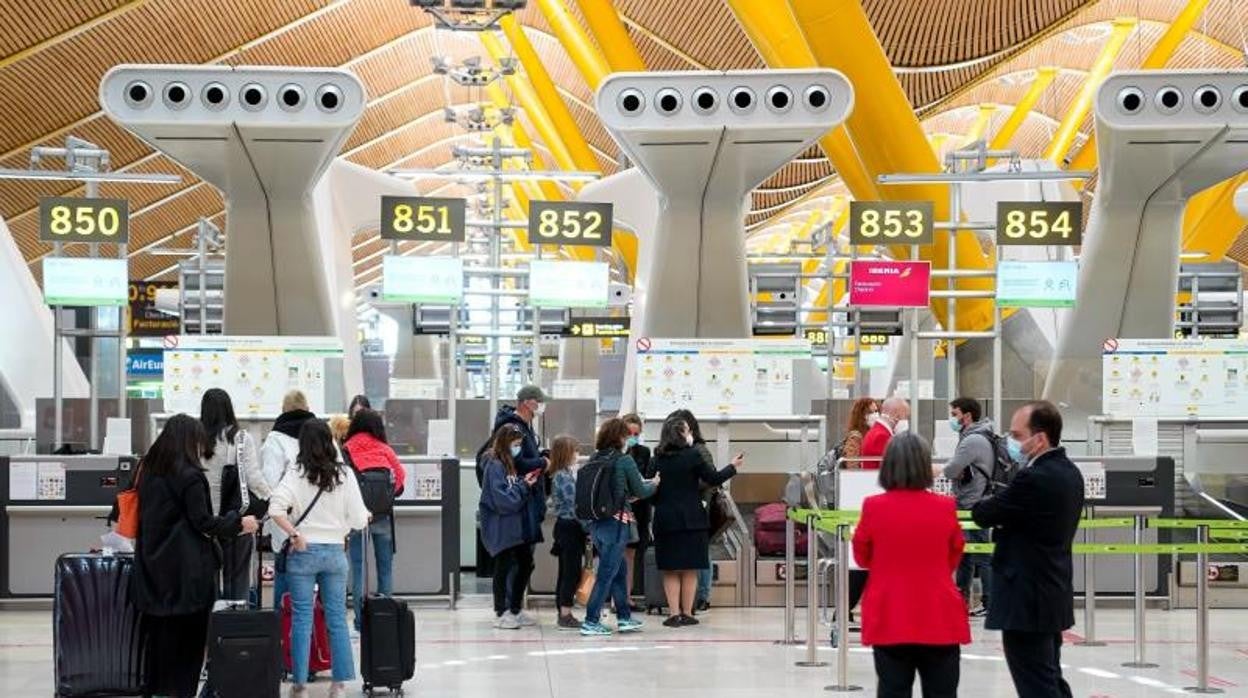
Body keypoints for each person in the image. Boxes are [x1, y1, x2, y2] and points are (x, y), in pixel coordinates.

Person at [131, 414, 259, 698]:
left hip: (152, 571)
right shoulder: (189, 476)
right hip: (186, 575)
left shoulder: (148, 471)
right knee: (188, 644)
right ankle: (182, 692)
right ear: (190, 441)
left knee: (158, 643)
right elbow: (202, 522)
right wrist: (239, 523)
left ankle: (157, 692)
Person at [972, 401, 1084, 698]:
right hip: (1051, 592)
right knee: (1049, 676)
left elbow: (984, 513)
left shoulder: (1034, 478)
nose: (1011, 441)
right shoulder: (1070, 472)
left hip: (1026, 599)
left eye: (1017, 435)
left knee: (1035, 683)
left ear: (1040, 438)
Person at [853, 432, 968, 698]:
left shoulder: (873, 507)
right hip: (939, 614)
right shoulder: (945, 506)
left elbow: (862, 557)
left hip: (890, 614)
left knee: (893, 689)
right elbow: (954, 554)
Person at [268, 420, 370, 698]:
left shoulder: (296, 472)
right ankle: (339, 683)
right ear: (330, 442)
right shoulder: (344, 474)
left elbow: (275, 507)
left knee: (302, 617)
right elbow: (360, 519)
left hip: (303, 552)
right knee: (337, 618)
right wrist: (346, 527)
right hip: (335, 553)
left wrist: (294, 534)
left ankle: (299, 682)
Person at [651, 417, 740, 627]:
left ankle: (673, 614)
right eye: (688, 430)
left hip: (665, 520)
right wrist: (733, 467)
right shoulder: (693, 455)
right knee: (690, 568)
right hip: (693, 519)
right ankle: (687, 612)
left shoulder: (657, 459)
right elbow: (713, 478)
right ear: (682, 434)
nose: (691, 434)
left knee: (671, 569)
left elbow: (650, 490)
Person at [581, 418, 658, 636]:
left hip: (597, 523)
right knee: (607, 573)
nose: (630, 439)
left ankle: (624, 617)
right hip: (616, 523)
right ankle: (591, 620)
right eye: (627, 435)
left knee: (619, 570)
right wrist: (654, 484)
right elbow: (641, 492)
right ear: (620, 437)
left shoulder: (595, 458)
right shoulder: (624, 460)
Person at [200, 388, 271, 601]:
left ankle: (210, 626)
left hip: (205, 519)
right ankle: (235, 624)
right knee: (238, 576)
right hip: (236, 517)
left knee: (207, 577)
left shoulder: (196, 439)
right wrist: (271, 498)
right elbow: (252, 477)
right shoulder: (240, 438)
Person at [343, 408, 406, 633]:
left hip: (357, 518)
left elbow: (343, 482)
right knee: (385, 568)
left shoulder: (346, 449)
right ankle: (384, 618)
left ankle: (361, 621)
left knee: (358, 569)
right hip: (382, 517)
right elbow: (400, 479)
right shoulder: (384, 449)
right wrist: (387, 497)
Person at [479, 423, 541, 630]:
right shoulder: (495, 466)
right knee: (503, 568)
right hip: (501, 527)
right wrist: (524, 486)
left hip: (514, 526)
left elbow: (511, 488)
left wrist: (524, 481)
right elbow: (504, 500)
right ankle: (501, 612)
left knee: (525, 563)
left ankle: (514, 609)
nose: (518, 449)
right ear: (505, 444)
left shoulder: (509, 464)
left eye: (520, 444)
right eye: (515, 444)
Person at [260, 390, 318, 609]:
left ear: (283, 410)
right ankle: (317, 639)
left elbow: (269, 483)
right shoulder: (323, 435)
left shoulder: (275, 439)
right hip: (320, 522)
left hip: (286, 525)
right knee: (317, 590)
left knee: (285, 586)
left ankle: (283, 635)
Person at [943, 397, 996, 616]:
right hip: (974, 502)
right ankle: (961, 600)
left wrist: (943, 470)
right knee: (965, 554)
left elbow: (951, 470)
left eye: (955, 414)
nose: (952, 419)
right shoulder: (978, 436)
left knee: (982, 556)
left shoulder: (972, 440)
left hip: (973, 504)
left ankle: (989, 601)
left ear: (967, 415)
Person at [666, 409, 717, 613]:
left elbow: (710, 479)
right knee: (693, 555)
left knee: (701, 553)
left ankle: (703, 595)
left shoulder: (699, 450)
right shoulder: (673, 453)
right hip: (686, 507)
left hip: (698, 506)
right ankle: (691, 600)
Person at [546, 435, 585, 630]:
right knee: (571, 572)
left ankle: (563, 609)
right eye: (575, 451)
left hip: (565, 527)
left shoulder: (562, 474)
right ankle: (565, 612)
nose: (578, 454)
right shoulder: (563, 476)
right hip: (570, 527)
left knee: (566, 571)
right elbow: (573, 504)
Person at [622, 413, 653, 610]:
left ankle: (627, 596)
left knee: (632, 555)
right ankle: (617, 596)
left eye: (636, 433)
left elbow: (646, 477)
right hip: (620, 509)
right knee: (617, 554)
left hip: (640, 509)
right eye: (629, 433)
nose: (632, 437)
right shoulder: (614, 452)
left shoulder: (644, 452)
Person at [861, 397, 909, 468]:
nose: (905, 421)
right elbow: (895, 467)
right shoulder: (881, 436)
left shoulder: (877, 431)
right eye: (905, 417)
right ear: (896, 414)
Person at [839, 397, 880, 467]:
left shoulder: (874, 434)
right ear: (862, 415)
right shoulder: (855, 437)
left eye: (876, 411)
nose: (875, 415)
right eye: (870, 412)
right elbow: (851, 464)